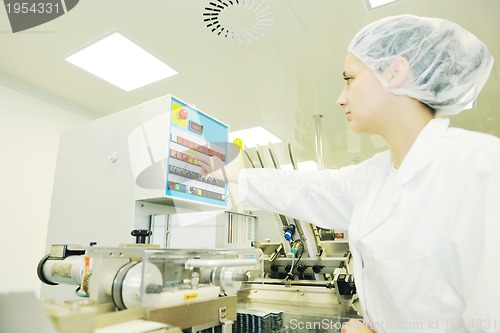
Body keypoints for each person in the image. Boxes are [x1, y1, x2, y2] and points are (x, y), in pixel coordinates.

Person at [202, 14, 499, 332]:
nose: (340, 98)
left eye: (350, 79)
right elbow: (312, 188)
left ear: (395, 72)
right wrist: (234, 173)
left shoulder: (481, 166)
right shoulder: (379, 175)